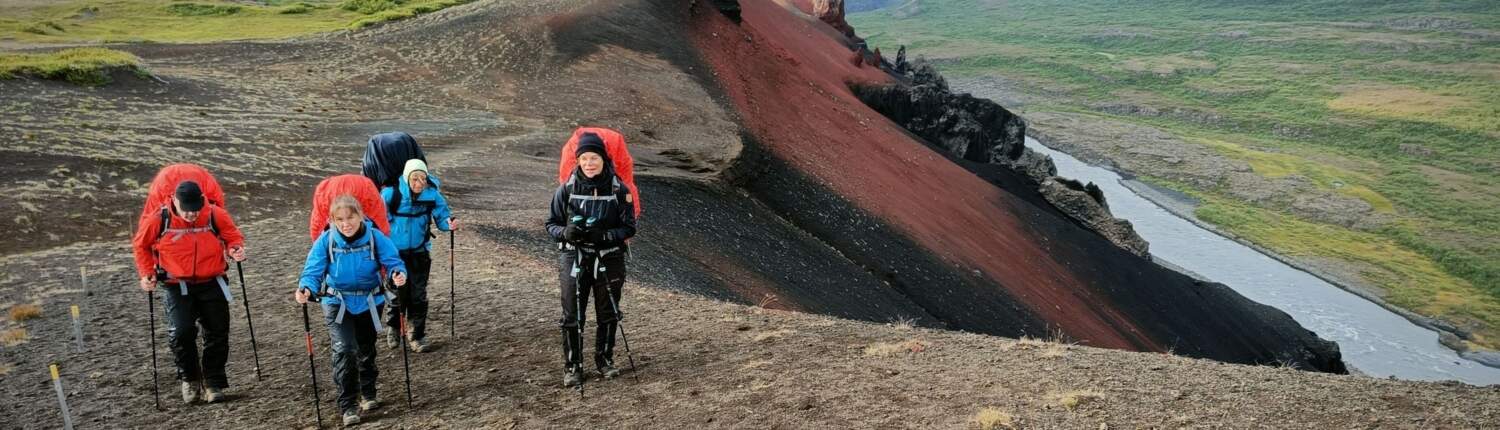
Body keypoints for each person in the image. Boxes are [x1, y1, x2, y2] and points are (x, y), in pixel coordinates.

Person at [295, 195, 407, 426]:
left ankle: (368, 392)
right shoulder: (326, 240)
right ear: (333, 220)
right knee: (344, 349)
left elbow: (393, 260)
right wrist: (306, 288)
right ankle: (348, 405)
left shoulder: (376, 237)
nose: (346, 223)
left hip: (370, 301)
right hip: (336, 302)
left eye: (350, 217)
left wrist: (398, 273)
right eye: (340, 219)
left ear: (361, 216)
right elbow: (313, 270)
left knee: (366, 347)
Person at [132, 180, 247, 404]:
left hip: (213, 280)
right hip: (176, 284)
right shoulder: (159, 218)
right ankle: (190, 379)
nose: (192, 214)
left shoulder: (215, 214)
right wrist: (147, 273)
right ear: (175, 201)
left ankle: (213, 383)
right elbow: (141, 245)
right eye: (187, 210)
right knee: (182, 332)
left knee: (217, 332)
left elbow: (232, 235)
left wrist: (235, 249)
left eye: (196, 209)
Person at [545, 132, 637, 387]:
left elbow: (629, 227)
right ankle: (573, 366)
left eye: (594, 157)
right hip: (573, 256)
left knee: (609, 311)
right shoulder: (566, 190)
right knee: (572, 314)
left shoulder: (620, 189)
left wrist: (605, 235)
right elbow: (550, 223)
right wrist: (565, 232)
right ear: (578, 161)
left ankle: (605, 361)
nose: (589, 163)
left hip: (610, 257)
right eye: (584, 158)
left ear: (603, 159)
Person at [380, 159, 457, 352]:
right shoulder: (391, 194)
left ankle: (417, 336)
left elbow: (442, 217)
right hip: (394, 256)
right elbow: (379, 221)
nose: (419, 183)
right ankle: (394, 328)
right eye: (415, 178)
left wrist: (450, 224)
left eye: (423, 178)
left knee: (418, 296)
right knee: (397, 294)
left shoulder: (432, 194)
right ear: (407, 177)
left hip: (420, 253)